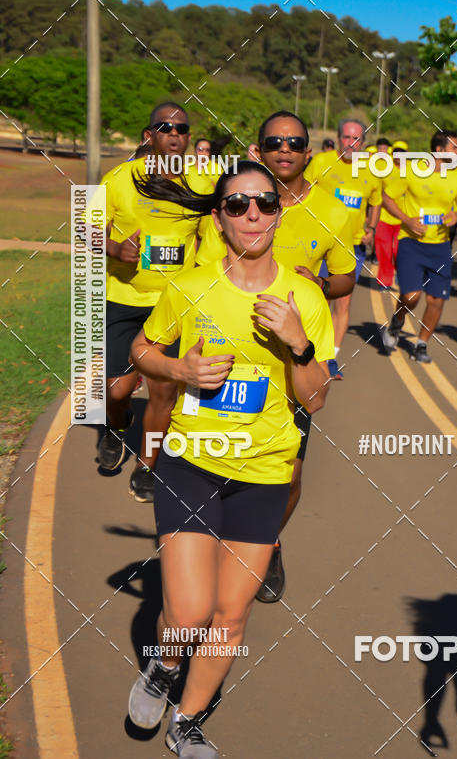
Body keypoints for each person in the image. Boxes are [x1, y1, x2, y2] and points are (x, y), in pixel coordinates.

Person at [126, 161, 334, 756]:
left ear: (278, 212)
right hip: (192, 462)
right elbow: (143, 350)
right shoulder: (189, 287)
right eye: (238, 205)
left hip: (264, 472)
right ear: (219, 220)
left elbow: (315, 398)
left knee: (231, 614)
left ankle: (186, 723)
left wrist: (299, 342)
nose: (252, 215)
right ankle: (164, 667)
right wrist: (180, 369)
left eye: (264, 203)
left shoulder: (304, 296)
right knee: (188, 613)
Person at [193, 110, 355, 601]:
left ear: (309, 152)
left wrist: (319, 283)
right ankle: (206, 550)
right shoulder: (231, 200)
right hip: (224, 349)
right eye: (273, 141)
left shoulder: (336, 209)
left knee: (288, 474)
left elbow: (346, 278)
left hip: (291, 355)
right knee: (210, 462)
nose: (284, 149)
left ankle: (267, 541)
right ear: (258, 150)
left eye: (295, 142)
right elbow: (202, 275)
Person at [91, 103, 210, 504]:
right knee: (116, 389)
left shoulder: (201, 183)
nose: (175, 134)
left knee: (163, 396)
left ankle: (147, 464)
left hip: (173, 307)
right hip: (123, 299)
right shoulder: (120, 178)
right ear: (149, 136)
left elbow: (211, 246)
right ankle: (115, 427)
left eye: (182, 129)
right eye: (165, 127)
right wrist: (112, 248)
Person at [380, 130, 457, 362]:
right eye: (455, 147)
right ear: (439, 151)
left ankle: (421, 344)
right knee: (411, 296)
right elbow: (387, 197)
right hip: (411, 242)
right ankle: (398, 321)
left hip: (440, 246)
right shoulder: (412, 170)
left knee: (436, 301)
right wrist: (407, 220)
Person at [305, 118, 382, 378]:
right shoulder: (321, 162)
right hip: (319, 243)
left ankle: (330, 359)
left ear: (364, 142)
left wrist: (371, 227)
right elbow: (301, 192)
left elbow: (376, 201)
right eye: (347, 138)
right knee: (319, 299)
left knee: (343, 302)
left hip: (352, 246)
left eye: (357, 139)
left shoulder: (371, 171)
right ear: (339, 139)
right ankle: (312, 351)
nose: (351, 143)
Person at [375, 142, 408, 288]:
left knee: (399, 251)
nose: (398, 155)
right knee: (384, 251)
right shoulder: (384, 168)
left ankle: (402, 276)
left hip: (404, 218)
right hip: (384, 217)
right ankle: (384, 281)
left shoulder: (412, 170)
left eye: (402, 152)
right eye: (396, 152)